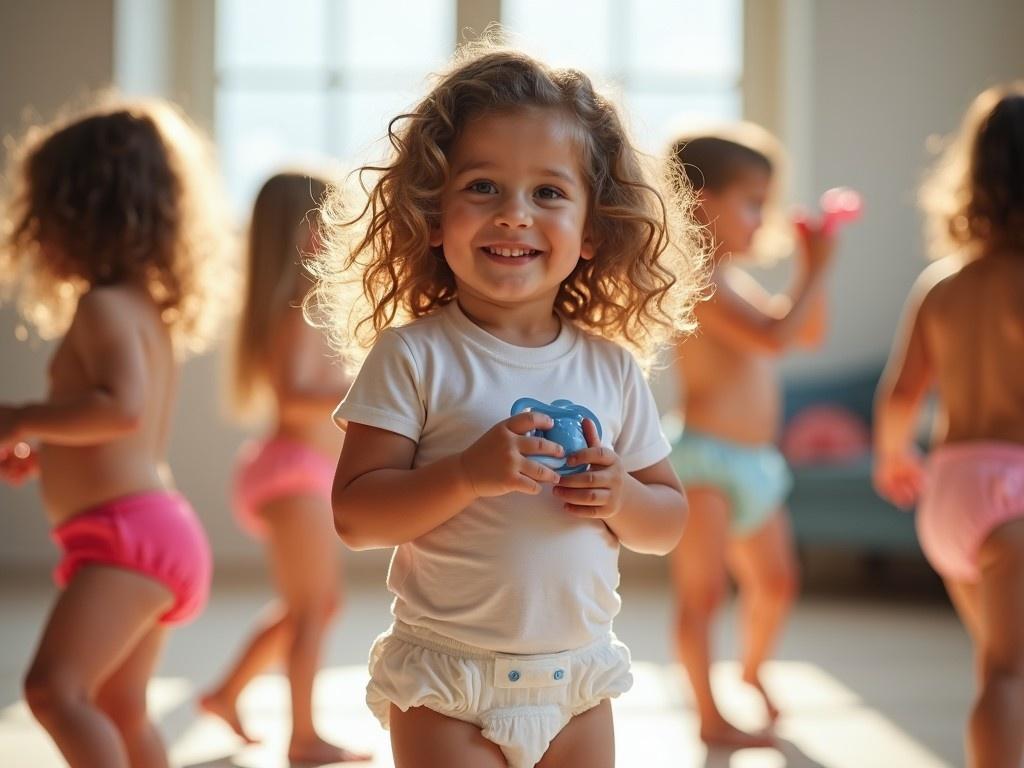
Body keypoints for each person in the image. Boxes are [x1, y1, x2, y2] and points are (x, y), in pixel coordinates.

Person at [311, 44, 707, 768]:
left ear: (593, 231)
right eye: (483, 187)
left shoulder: (611, 368)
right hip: (448, 683)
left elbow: (668, 522)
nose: (514, 215)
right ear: (433, 216)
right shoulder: (413, 356)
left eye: (548, 193)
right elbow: (356, 516)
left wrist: (620, 495)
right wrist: (464, 474)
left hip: (580, 685)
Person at [0, 97, 232, 768]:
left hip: (129, 537)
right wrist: (46, 451)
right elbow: (116, 432)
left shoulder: (102, 307)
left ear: (79, 218)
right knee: (120, 708)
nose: (35, 236)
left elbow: (120, 409)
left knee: (54, 690)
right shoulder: (138, 308)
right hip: (149, 528)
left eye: (41, 218)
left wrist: (21, 417)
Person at [665, 124, 836, 747]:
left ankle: (754, 668)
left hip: (756, 464)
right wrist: (814, 270)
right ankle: (709, 714)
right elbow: (771, 337)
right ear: (700, 202)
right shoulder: (699, 281)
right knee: (703, 593)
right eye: (751, 201)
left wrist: (816, 270)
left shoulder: (737, 277)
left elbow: (803, 332)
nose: (761, 216)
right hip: (706, 461)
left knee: (778, 581)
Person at [874, 83, 1024, 768]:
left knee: (999, 666)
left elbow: (901, 393)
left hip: (954, 493)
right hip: (1014, 495)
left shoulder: (944, 282)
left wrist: (892, 457)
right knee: (1009, 674)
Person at [199, 171, 368, 763]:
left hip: (303, 473)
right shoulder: (301, 308)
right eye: (327, 223)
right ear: (299, 236)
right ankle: (303, 737)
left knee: (315, 605)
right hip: (292, 473)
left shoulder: (314, 305)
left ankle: (225, 692)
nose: (339, 234)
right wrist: (360, 393)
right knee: (312, 609)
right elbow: (294, 396)